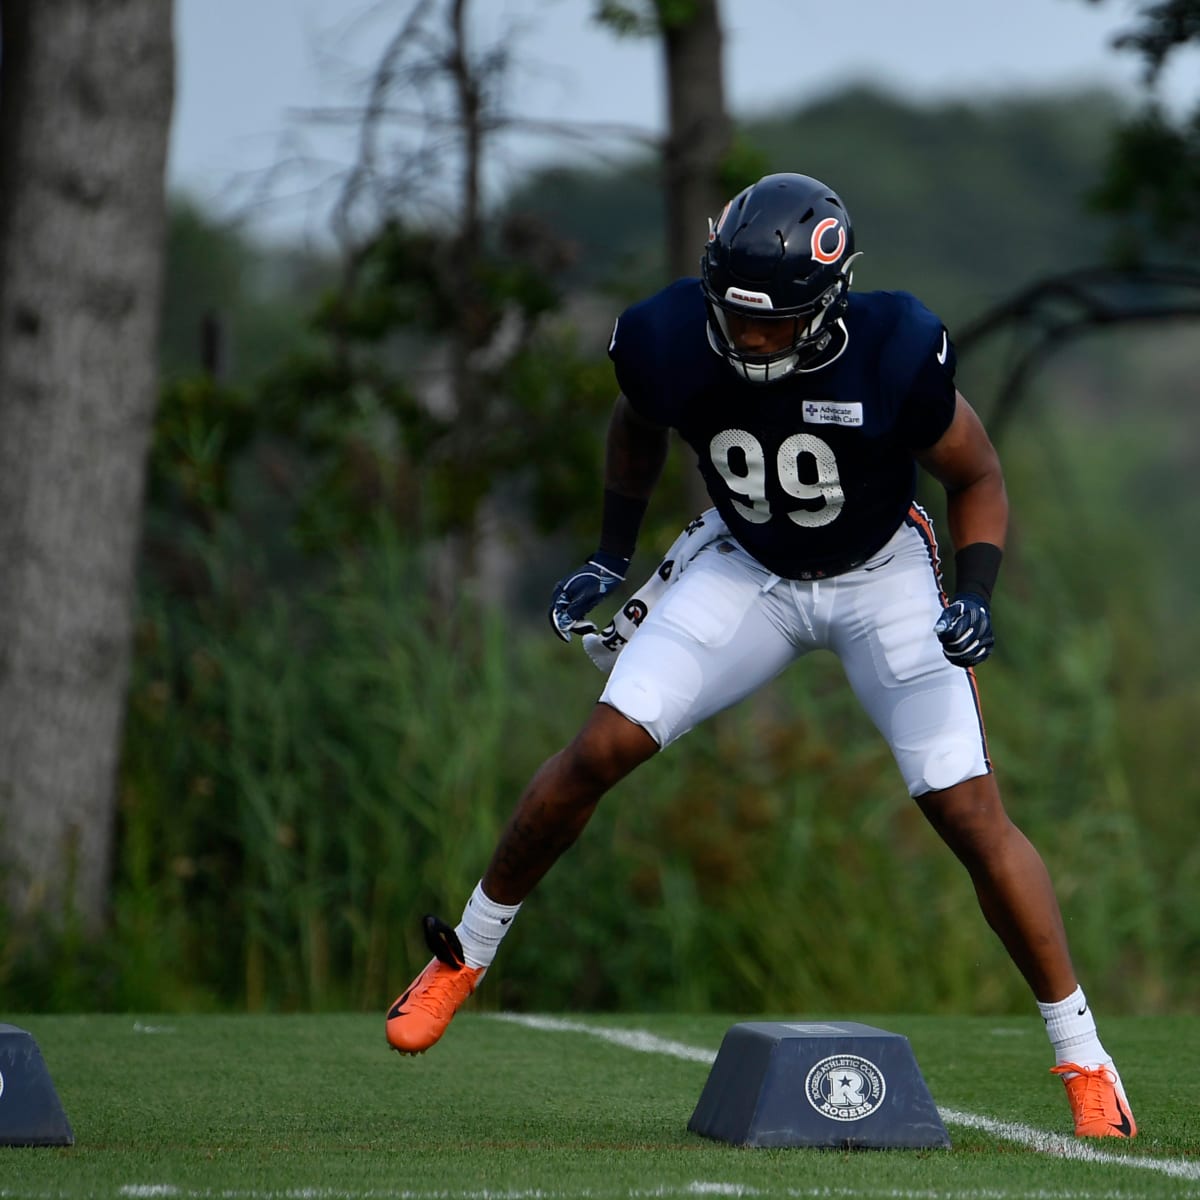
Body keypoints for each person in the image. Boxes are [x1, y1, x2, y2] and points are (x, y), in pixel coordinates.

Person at [385, 172, 1136, 1140]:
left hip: (882, 573)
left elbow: (976, 471)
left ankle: (1082, 1056)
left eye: (773, 323)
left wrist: (977, 594)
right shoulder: (664, 339)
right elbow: (636, 423)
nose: (750, 339)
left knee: (966, 806)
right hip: (747, 567)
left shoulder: (895, 346)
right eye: (736, 317)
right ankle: (462, 959)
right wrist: (612, 552)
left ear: (828, 302)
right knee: (604, 746)